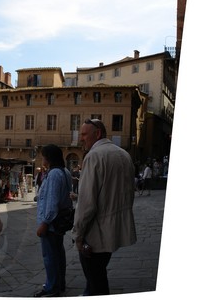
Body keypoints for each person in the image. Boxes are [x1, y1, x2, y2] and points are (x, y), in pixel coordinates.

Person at [73, 118, 136, 296]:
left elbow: (87, 203)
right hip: (114, 230)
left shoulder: (94, 156)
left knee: (96, 281)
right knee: (98, 276)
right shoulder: (124, 154)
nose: (81, 138)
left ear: (98, 133)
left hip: (96, 233)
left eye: (84, 134)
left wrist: (78, 234)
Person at [34, 144, 72, 297]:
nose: (42, 158)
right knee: (58, 254)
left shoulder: (54, 174)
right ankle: (59, 283)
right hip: (59, 222)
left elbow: (52, 201)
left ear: (49, 158)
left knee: (50, 256)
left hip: (51, 224)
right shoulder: (64, 171)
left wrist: (44, 223)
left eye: (43, 156)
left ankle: (52, 287)